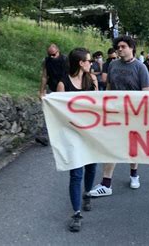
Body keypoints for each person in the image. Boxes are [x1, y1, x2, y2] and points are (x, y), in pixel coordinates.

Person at [89, 36, 149, 197]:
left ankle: (134, 174)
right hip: (115, 113)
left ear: (132, 48)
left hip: (134, 114)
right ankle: (106, 184)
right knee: (111, 146)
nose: (119, 49)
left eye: (123, 46)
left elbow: (146, 93)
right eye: (118, 46)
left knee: (133, 147)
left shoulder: (141, 67)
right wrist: (105, 106)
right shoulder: (113, 65)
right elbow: (109, 87)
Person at [56, 48, 98, 232]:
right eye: (89, 61)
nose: (91, 64)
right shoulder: (63, 84)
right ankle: (76, 214)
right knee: (76, 174)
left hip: (91, 133)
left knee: (91, 167)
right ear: (81, 63)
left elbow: (98, 107)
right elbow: (58, 112)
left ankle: (87, 193)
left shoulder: (92, 80)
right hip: (72, 135)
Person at [37, 44, 68, 146]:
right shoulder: (47, 61)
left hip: (65, 90)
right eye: (50, 55)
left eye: (54, 54)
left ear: (58, 51)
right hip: (53, 89)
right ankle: (45, 135)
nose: (52, 57)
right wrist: (42, 91)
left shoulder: (65, 60)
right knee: (49, 112)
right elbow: (44, 77)